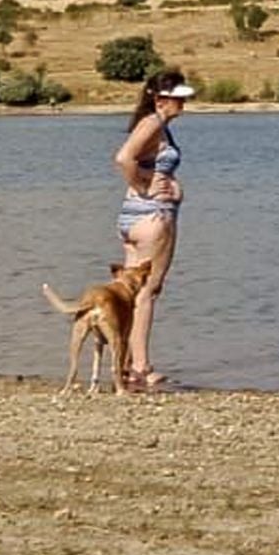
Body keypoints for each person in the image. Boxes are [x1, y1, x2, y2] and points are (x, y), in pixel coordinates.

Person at [112, 68, 196, 389]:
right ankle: (140, 367)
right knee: (148, 290)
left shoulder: (154, 125)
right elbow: (124, 158)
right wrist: (145, 184)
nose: (183, 104)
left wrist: (161, 183)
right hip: (152, 217)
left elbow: (138, 160)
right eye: (178, 98)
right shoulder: (153, 124)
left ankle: (124, 364)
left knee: (130, 290)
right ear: (160, 99)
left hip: (134, 216)